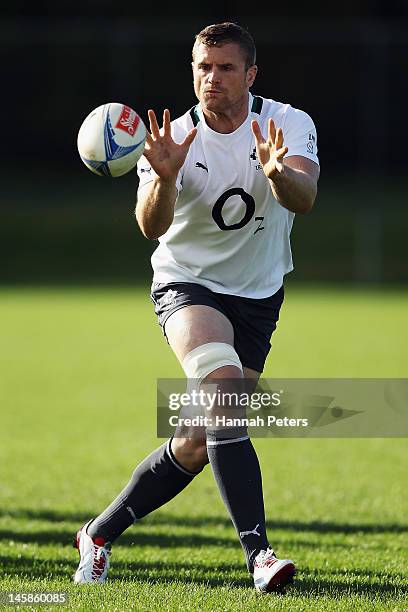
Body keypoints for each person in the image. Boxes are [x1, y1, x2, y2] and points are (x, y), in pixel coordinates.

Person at [73, 21, 319, 593]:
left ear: (251, 74)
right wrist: (162, 177)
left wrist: (278, 172)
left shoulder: (288, 123)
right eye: (203, 68)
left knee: (194, 440)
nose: (212, 79)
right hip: (187, 285)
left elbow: (304, 200)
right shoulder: (170, 138)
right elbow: (149, 226)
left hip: (258, 295)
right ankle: (259, 555)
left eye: (226, 68)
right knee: (225, 397)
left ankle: (100, 533)